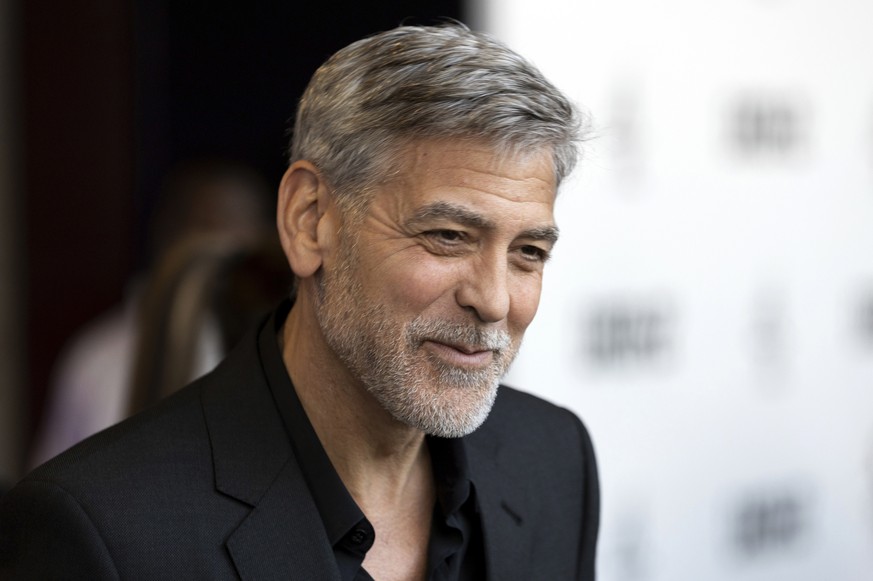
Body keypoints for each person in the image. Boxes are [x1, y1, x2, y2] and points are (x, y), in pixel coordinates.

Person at [0, 23, 599, 580]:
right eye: (447, 236)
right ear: (309, 221)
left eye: (528, 252)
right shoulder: (102, 532)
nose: (493, 300)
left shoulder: (554, 461)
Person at [26, 160, 275, 469]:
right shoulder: (96, 358)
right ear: (169, 234)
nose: (230, 243)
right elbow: (50, 478)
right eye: (211, 225)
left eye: (246, 226)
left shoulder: (279, 355)